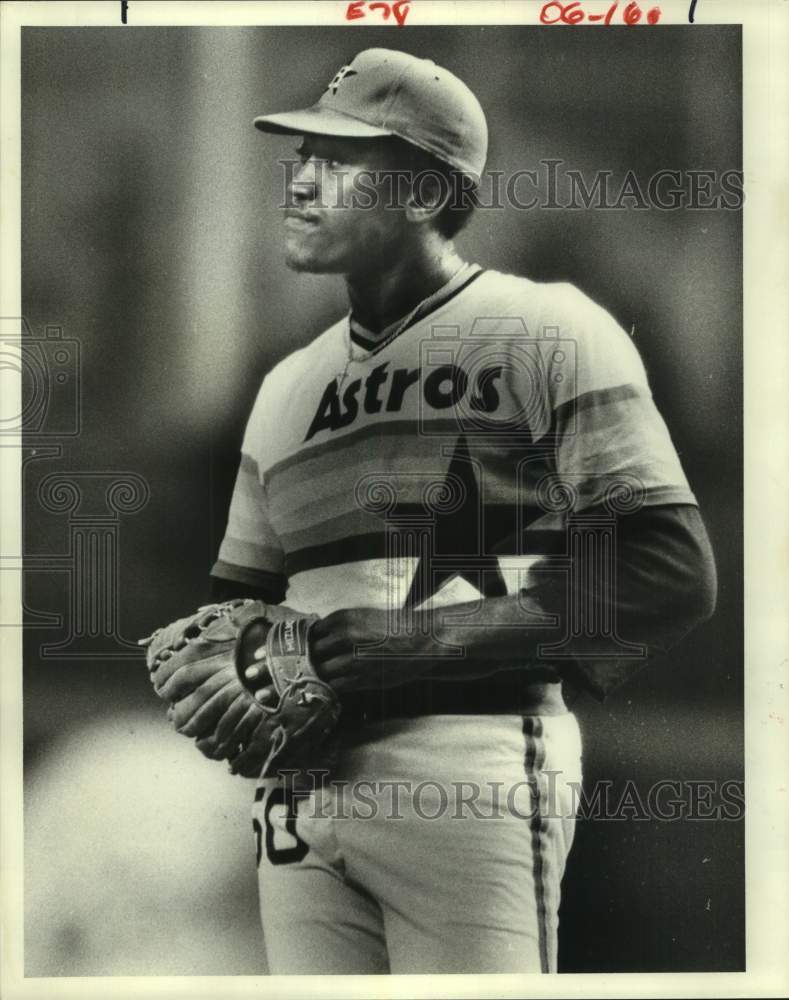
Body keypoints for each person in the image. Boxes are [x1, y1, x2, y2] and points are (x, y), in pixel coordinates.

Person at [209, 48, 717, 974]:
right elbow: (235, 607)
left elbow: (667, 570)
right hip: (301, 786)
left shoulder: (547, 329)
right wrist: (231, 661)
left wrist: (424, 640)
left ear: (423, 194)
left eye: (342, 160)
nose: (302, 182)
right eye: (300, 156)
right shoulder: (284, 386)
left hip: (468, 762)